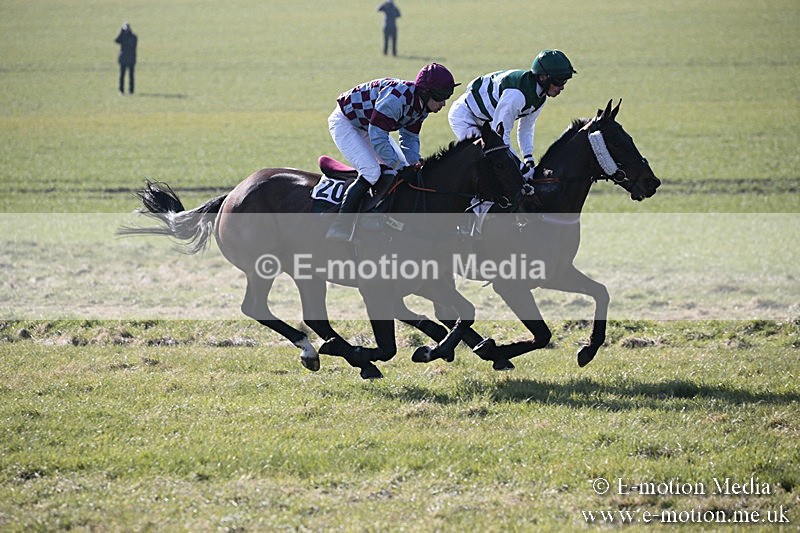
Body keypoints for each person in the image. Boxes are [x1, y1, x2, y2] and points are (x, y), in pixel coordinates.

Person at [326, 63, 460, 241]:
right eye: (440, 97)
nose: (443, 104)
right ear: (426, 92)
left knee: (402, 168)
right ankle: (340, 226)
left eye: (446, 97)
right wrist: (399, 166)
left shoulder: (421, 107)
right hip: (347, 123)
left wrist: (413, 164)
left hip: (370, 126)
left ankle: (380, 214)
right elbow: (378, 138)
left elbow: (409, 138)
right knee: (371, 172)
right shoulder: (396, 100)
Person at [448, 49, 576, 182]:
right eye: (558, 82)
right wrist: (520, 167)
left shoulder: (540, 97)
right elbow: (500, 136)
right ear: (543, 77)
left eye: (564, 82)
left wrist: (528, 159)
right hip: (465, 117)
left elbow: (526, 128)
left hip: (486, 121)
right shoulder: (516, 96)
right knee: (488, 161)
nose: (562, 88)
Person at [115, 22, 138, 94]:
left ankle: (128, 90)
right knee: (124, 75)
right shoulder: (133, 37)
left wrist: (121, 33)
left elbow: (117, 40)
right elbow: (116, 40)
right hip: (128, 59)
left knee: (128, 76)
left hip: (127, 58)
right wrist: (122, 33)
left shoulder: (131, 37)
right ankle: (125, 90)